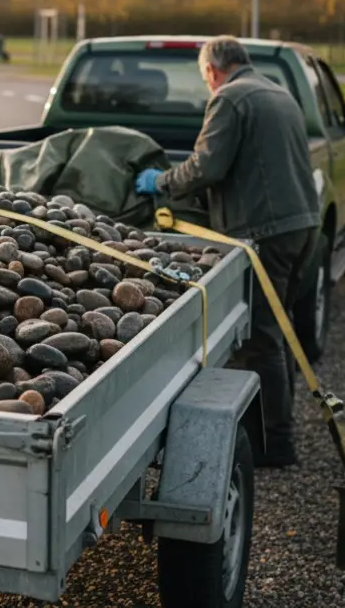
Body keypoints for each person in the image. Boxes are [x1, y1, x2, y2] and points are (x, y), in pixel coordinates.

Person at [134, 35, 320, 468]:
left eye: (206, 78)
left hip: (266, 232)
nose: (208, 86)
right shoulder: (278, 93)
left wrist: (160, 183)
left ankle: (276, 447)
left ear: (214, 70)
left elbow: (207, 166)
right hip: (304, 227)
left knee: (261, 340)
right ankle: (275, 431)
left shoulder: (230, 100)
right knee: (280, 328)